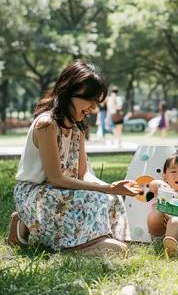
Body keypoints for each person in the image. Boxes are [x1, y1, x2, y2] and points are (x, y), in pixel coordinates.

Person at [7, 60, 142, 256]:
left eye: (97, 102)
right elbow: (56, 179)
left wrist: (111, 188)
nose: (93, 108)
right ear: (68, 92)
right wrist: (105, 188)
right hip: (36, 192)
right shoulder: (47, 124)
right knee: (92, 198)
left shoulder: (77, 127)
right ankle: (73, 245)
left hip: (61, 190)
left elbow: (83, 173)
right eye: (91, 100)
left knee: (110, 197)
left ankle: (95, 240)